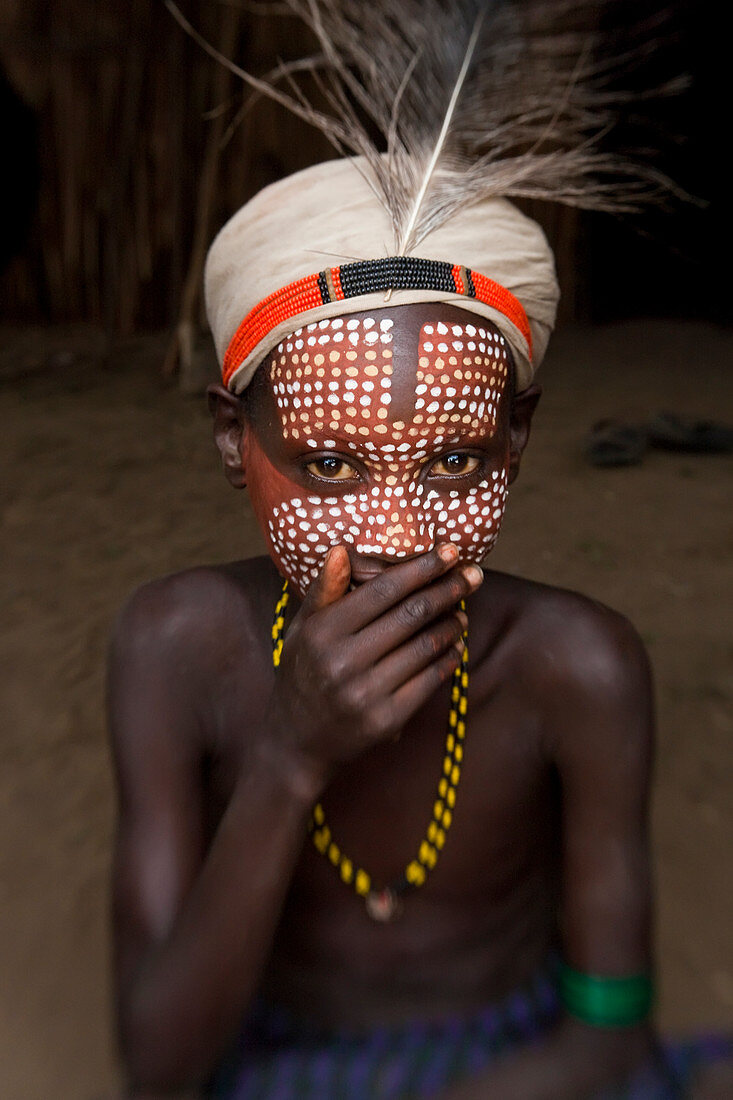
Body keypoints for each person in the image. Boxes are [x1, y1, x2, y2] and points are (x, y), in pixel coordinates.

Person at [107, 150, 732, 1099]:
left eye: (451, 462)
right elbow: (160, 1065)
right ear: (236, 439)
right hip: (270, 1061)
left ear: (514, 437)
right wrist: (288, 756)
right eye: (327, 467)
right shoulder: (175, 648)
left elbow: (608, 1038)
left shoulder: (577, 667)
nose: (396, 535)